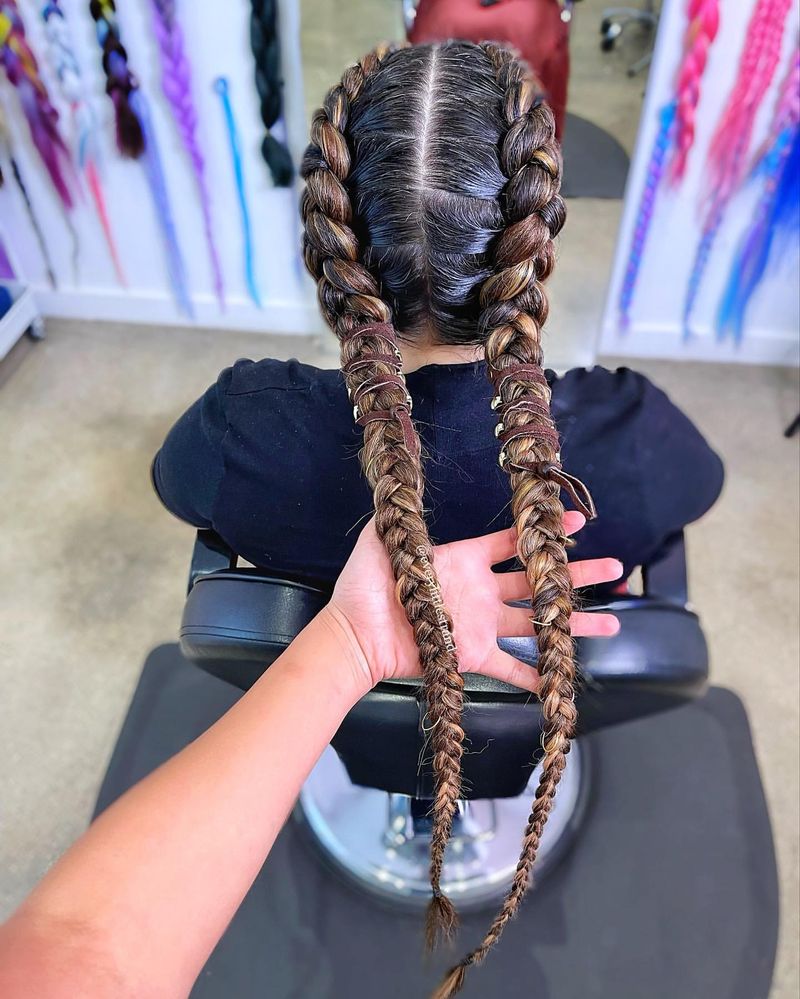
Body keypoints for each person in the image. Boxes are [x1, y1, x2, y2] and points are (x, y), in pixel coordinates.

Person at [152, 42, 723, 996]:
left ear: (329, 246)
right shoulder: (630, 439)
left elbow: (178, 490)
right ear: (537, 238)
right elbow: (694, 495)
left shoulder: (242, 428)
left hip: (330, 708)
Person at [0, 519, 622, 999]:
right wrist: (353, 640)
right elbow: (84, 957)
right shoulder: (622, 439)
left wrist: (353, 641)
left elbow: (87, 959)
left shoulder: (250, 417)